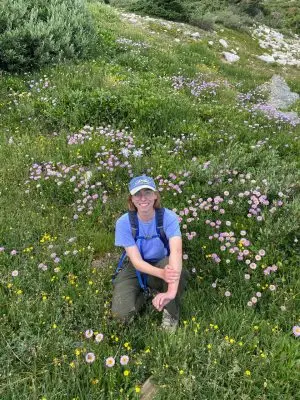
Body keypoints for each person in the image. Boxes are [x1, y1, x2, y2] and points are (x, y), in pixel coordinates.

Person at [112, 175, 187, 331]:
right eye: (137, 193)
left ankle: (171, 313)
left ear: (155, 196)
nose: (143, 197)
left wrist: (171, 292)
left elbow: (176, 252)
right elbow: (137, 261)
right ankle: (147, 293)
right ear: (131, 199)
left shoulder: (169, 217)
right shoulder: (124, 223)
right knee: (121, 316)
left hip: (162, 261)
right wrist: (161, 274)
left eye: (147, 192)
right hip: (136, 267)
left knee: (173, 268)